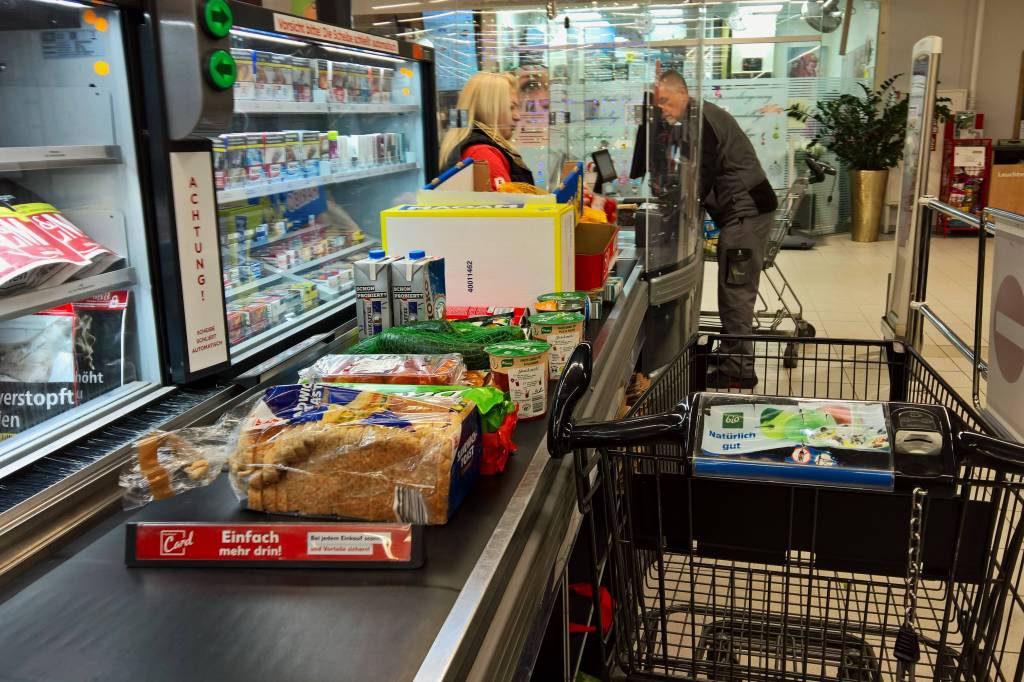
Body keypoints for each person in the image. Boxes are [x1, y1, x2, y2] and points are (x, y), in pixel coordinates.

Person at [656, 70, 778, 389]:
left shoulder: (700, 121)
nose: (663, 109)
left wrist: (680, 202)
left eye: (666, 101)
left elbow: (702, 174)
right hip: (741, 212)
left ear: (683, 93)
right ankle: (731, 358)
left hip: (746, 214)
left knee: (735, 292)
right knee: (733, 290)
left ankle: (739, 370)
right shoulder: (696, 119)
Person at [439, 71, 535, 190]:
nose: (517, 116)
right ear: (489, 110)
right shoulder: (482, 153)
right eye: (511, 107)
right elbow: (506, 205)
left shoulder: (470, 145)